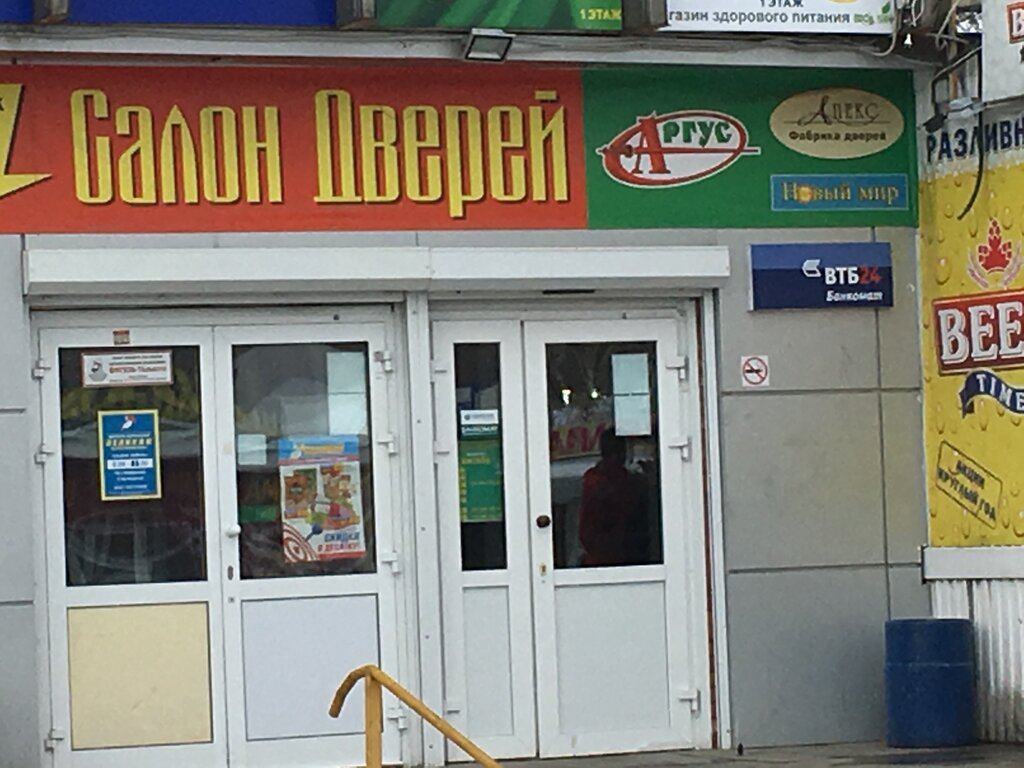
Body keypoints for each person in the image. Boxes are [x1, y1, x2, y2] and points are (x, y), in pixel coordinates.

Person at [577, 429, 647, 566]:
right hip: (616, 554)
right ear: (619, 452)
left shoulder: (593, 478)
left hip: (596, 554)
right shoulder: (619, 481)